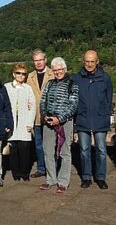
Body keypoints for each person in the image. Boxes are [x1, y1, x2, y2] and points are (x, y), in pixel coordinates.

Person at [73, 50, 113, 190]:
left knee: (101, 150)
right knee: (84, 150)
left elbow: (109, 100)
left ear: (97, 61)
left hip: (100, 118)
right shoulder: (76, 78)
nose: (89, 64)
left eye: (92, 61)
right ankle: (86, 177)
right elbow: (73, 99)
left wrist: (107, 116)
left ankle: (101, 178)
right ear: (83, 61)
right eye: (87, 61)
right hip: (82, 118)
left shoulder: (105, 78)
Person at [39, 57, 78, 193]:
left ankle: (63, 181)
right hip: (48, 121)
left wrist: (59, 119)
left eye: (60, 70)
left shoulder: (72, 84)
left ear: (65, 69)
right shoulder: (49, 84)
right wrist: (44, 115)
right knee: (48, 151)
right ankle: (50, 179)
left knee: (65, 152)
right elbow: (43, 100)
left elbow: (73, 105)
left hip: (65, 122)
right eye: (55, 70)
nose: (57, 72)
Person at [5, 63, 36, 182]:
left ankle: (25, 173)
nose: (21, 76)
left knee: (25, 150)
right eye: (18, 73)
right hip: (12, 123)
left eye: (23, 74)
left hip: (24, 123)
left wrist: (30, 123)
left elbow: (32, 106)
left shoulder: (27, 88)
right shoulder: (7, 87)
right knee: (13, 150)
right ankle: (16, 173)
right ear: (14, 74)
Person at [27, 49, 54, 178]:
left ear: (45, 60)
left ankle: (53, 169)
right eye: (36, 60)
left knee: (51, 145)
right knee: (38, 145)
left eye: (40, 60)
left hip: (50, 116)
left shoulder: (53, 74)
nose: (38, 63)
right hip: (36, 117)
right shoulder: (30, 76)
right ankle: (41, 168)